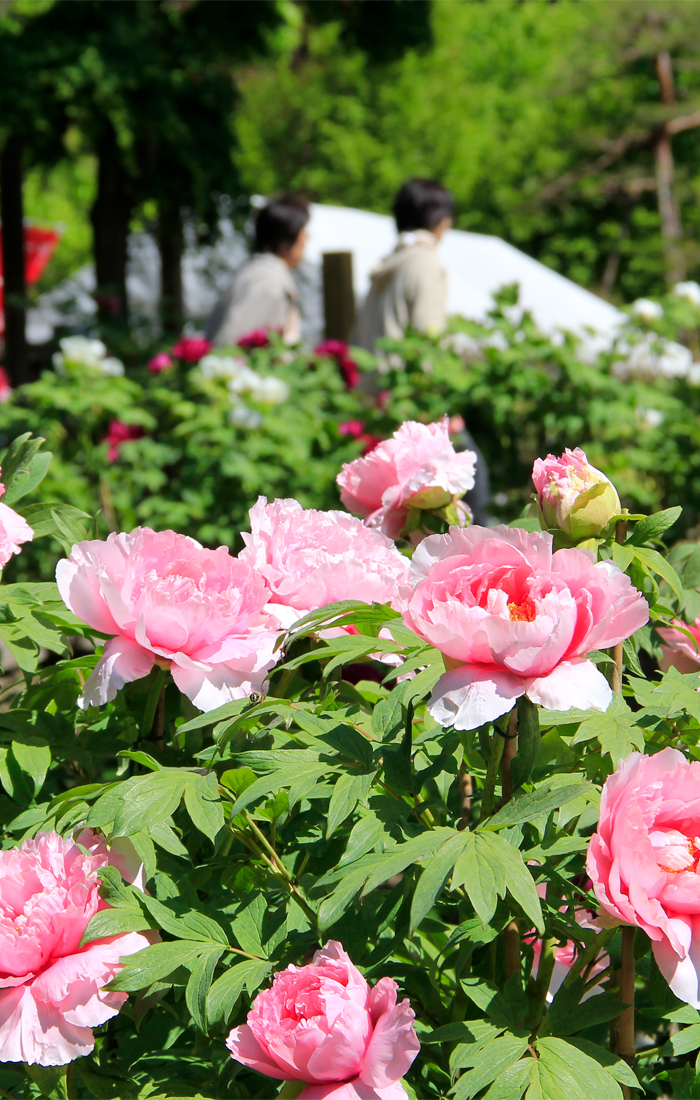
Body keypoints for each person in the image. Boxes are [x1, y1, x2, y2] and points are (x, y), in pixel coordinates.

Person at [353, 177, 453, 351]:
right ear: (441, 220)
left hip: (369, 376)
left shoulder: (390, 261)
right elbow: (428, 336)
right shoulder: (425, 263)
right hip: (402, 377)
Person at [205, 195, 309, 347]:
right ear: (290, 237)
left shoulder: (261, 273)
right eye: (304, 234)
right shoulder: (266, 280)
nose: (307, 241)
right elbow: (232, 347)